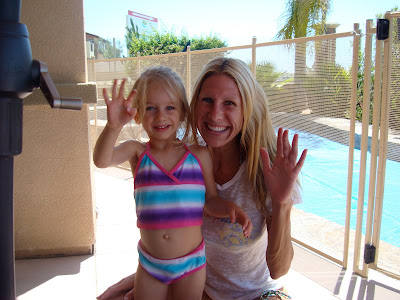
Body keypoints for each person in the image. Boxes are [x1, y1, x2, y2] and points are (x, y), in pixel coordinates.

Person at [96, 58, 307, 300]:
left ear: (246, 108)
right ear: (194, 106)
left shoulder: (269, 172)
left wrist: (281, 202)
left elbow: (279, 270)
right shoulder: (174, 154)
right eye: (207, 100)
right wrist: (147, 274)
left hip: (254, 294)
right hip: (197, 287)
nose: (216, 115)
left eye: (229, 103)